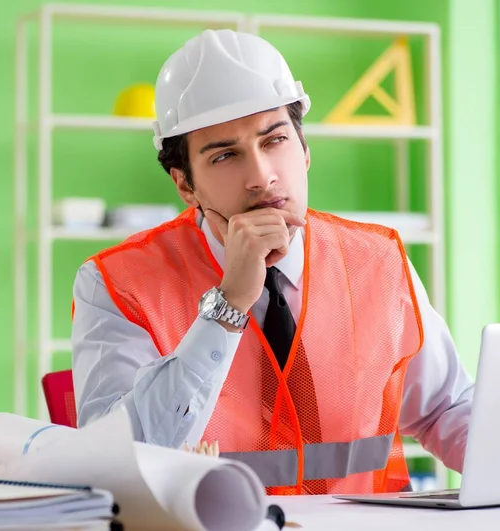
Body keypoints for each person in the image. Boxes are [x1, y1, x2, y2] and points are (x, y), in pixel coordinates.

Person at [71, 29, 473, 495]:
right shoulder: (118, 284)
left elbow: (446, 409)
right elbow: (116, 462)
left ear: (304, 152)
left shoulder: (377, 261)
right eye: (225, 156)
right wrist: (229, 304)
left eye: (275, 140)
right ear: (185, 185)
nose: (261, 177)